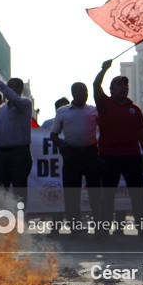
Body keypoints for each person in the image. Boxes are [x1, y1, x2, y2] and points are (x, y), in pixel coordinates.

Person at [93, 61, 143, 239]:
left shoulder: (135, 109)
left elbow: (142, 134)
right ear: (111, 89)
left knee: (137, 196)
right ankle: (104, 230)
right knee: (107, 197)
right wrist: (104, 69)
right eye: (119, 84)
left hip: (132, 157)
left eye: (125, 85)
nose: (123, 88)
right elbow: (96, 85)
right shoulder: (104, 103)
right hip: (108, 157)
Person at [50, 83, 99, 235]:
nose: (85, 94)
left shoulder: (94, 110)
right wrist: (61, 144)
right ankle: (74, 227)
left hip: (91, 154)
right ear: (74, 93)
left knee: (95, 192)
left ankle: (100, 226)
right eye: (81, 92)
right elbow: (53, 134)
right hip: (71, 155)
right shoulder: (63, 112)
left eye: (86, 92)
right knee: (72, 193)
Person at [0, 74, 33, 207]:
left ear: (19, 89)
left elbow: (13, 97)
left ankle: (19, 221)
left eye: (10, 87)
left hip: (20, 153)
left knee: (19, 191)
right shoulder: (3, 110)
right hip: (3, 154)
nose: (6, 90)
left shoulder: (25, 103)